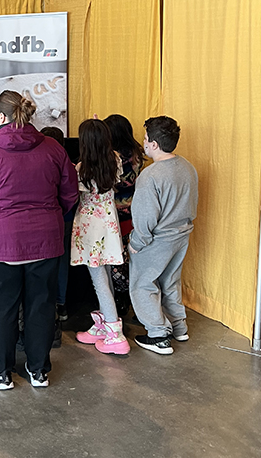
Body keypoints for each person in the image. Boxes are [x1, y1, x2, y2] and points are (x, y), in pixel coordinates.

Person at [0, 91, 78, 390]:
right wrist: (48, 218)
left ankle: (1, 371)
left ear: (0, 116)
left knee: (3, 306)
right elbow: (70, 194)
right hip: (45, 241)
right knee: (41, 305)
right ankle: (38, 370)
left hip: (1, 243)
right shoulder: (52, 148)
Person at [129, 116, 198, 355]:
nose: (144, 142)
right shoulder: (188, 166)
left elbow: (145, 218)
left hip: (158, 239)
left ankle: (158, 335)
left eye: (146, 138)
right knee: (170, 281)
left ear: (154, 144)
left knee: (142, 284)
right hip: (182, 235)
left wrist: (136, 243)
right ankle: (179, 327)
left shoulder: (150, 176)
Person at [71, 119, 130, 355]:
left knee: (98, 279)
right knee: (105, 273)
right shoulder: (115, 159)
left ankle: (115, 334)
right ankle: (104, 323)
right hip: (109, 221)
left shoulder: (81, 169)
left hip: (90, 226)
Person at [104, 114, 145, 316]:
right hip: (134, 212)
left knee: (117, 260)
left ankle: (121, 300)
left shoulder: (115, 159)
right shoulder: (137, 154)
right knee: (128, 259)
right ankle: (131, 299)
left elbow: (113, 185)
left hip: (117, 215)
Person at [41, 126, 74, 321]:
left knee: (43, 264)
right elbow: (71, 193)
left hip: (46, 220)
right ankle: (61, 304)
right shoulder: (67, 162)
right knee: (62, 263)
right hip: (66, 218)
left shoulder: (41, 163)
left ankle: (48, 303)